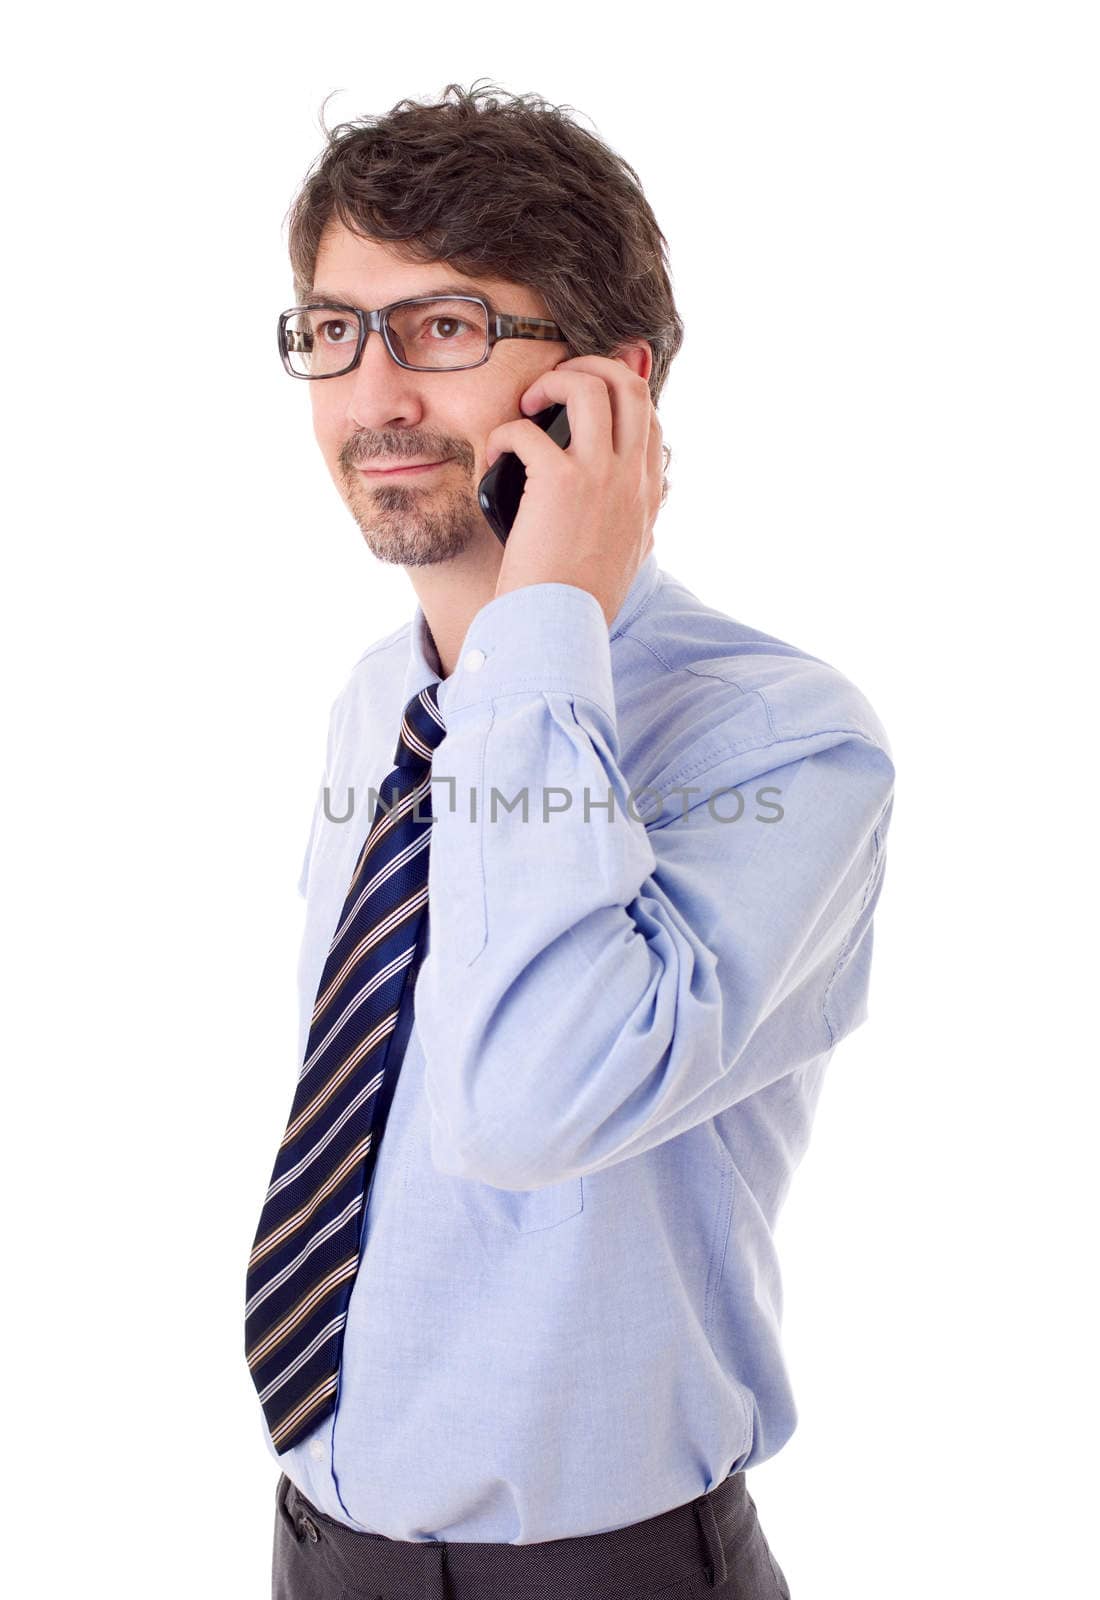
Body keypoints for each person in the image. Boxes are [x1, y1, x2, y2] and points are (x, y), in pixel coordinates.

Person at [244, 79, 895, 1600]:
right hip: (318, 1545)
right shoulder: (381, 702)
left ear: (609, 388)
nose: (373, 395)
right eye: (335, 330)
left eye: (447, 328)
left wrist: (543, 627)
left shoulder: (782, 740)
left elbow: (533, 1103)